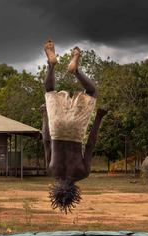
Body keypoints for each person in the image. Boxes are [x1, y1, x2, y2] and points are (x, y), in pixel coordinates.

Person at [41, 39, 106, 213]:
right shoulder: (52, 170)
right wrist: (45, 115)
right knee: (49, 92)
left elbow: (90, 145)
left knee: (92, 92)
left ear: (75, 192)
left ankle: (76, 70)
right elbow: (46, 141)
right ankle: (51, 65)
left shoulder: (82, 173)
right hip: (56, 129)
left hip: (76, 132)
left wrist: (99, 117)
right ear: (56, 189)